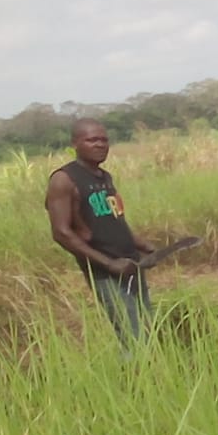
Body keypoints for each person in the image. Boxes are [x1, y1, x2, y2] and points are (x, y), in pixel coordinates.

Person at [44, 119, 155, 343]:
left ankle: (153, 375)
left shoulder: (105, 177)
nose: (100, 144)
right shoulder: (64, 180)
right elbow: (62, 233)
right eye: (92, 140)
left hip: (131, 265)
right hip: (106, 272)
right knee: (132, 338)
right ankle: (134, 377)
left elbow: (114, 220)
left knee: (147, 327)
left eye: (104, 140)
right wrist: (110, 264)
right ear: (75, 143)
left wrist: (144, 246)